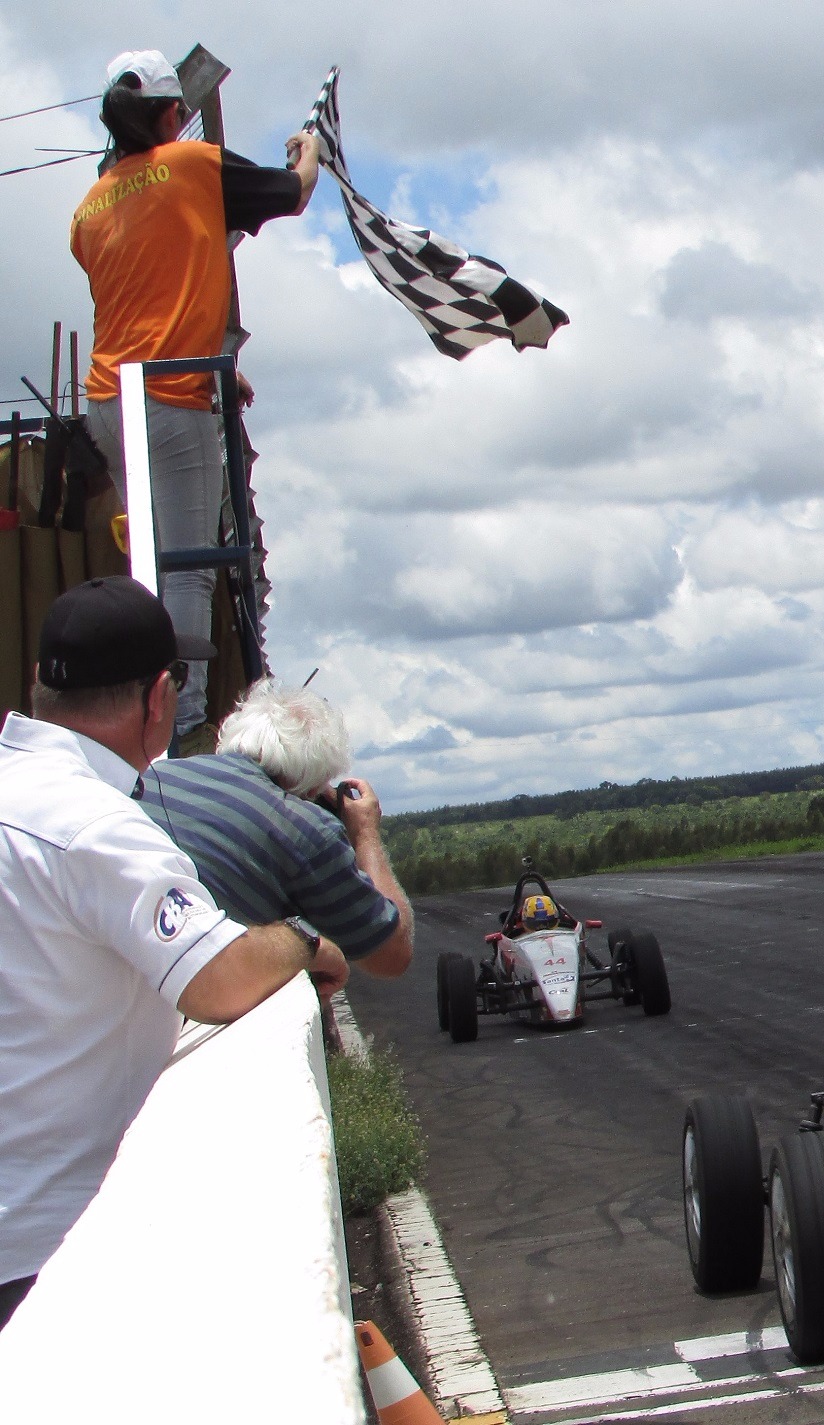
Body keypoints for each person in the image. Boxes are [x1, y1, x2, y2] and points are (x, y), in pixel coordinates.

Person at [0, 578, 348, 1329]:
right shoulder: (93, 820)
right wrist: (305, 939)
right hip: (43, 1248)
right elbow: (216, 979)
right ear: (159, 698)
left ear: (39, 685)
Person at [70, 49, 320, 752]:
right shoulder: (190, 165)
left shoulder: (90, 207)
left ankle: (138, 717)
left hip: (109, 397)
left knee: (146, 564)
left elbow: (151, 290)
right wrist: (311, 152)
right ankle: (175, 736)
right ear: (172, 113)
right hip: (171, 397)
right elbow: (290, 192)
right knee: (188, 572)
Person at [138, 680, 413, 979]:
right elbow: (391, 955)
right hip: (202, 985)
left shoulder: (150, 778)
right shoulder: (305, 827)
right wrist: (365, 834)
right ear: (312, 788)